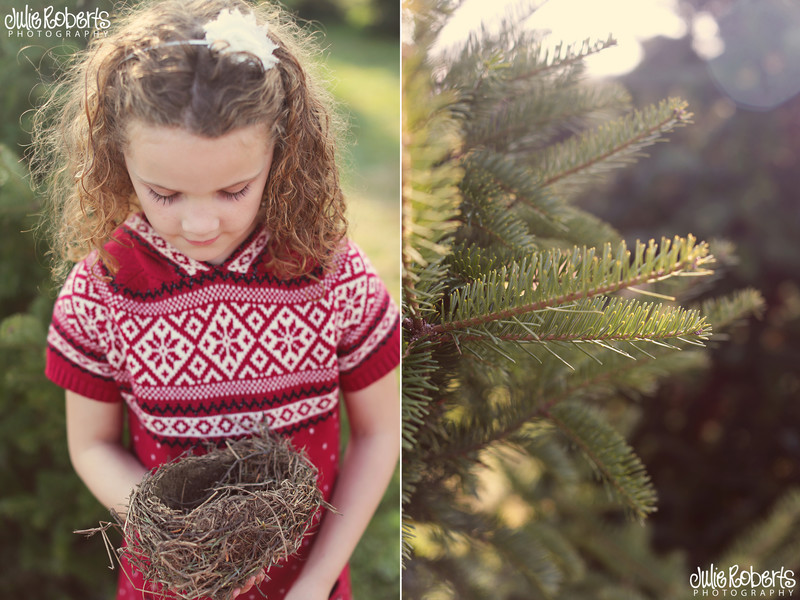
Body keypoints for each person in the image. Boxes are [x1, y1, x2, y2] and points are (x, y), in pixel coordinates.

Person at [32, 1, 400, 599]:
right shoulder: (102, 291)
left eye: (233, 190)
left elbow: (380, 434)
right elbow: (90, 444)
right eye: (165, 193)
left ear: (280, 155)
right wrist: (180, 535)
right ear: (116, 158)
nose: (201, 223)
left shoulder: (331, 275)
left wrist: (315, 583)